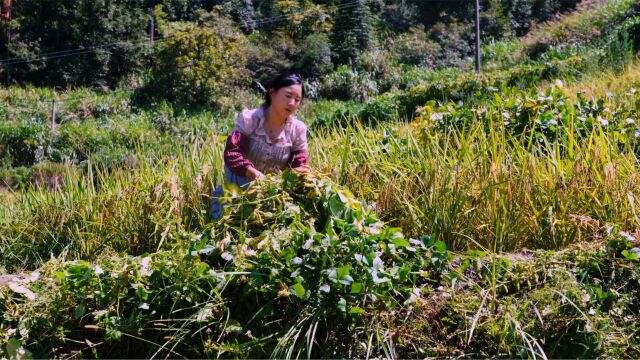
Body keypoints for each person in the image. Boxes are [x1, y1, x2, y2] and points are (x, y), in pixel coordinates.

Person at [210, 71, 309, 219]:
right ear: (272, 93)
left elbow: (300, 165)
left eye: (297, 99)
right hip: (235, 196)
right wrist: (252, 173)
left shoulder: (298, 129)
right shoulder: (249, 119)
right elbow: (233, 153)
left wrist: (284, 180)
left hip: (271, 201)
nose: (292, 103)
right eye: (288, 96)